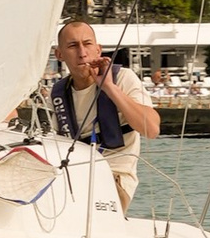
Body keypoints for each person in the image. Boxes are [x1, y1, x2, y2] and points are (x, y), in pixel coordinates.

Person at [49, 18, 160, 207]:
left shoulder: (122, 78)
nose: (82, 53)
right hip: (71, 177)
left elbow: (151, 129)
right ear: (59, 54)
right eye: (73, 46)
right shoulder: (58, 95)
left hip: (113, 179)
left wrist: (109, 87)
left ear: (98, 50)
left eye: (87, 44)